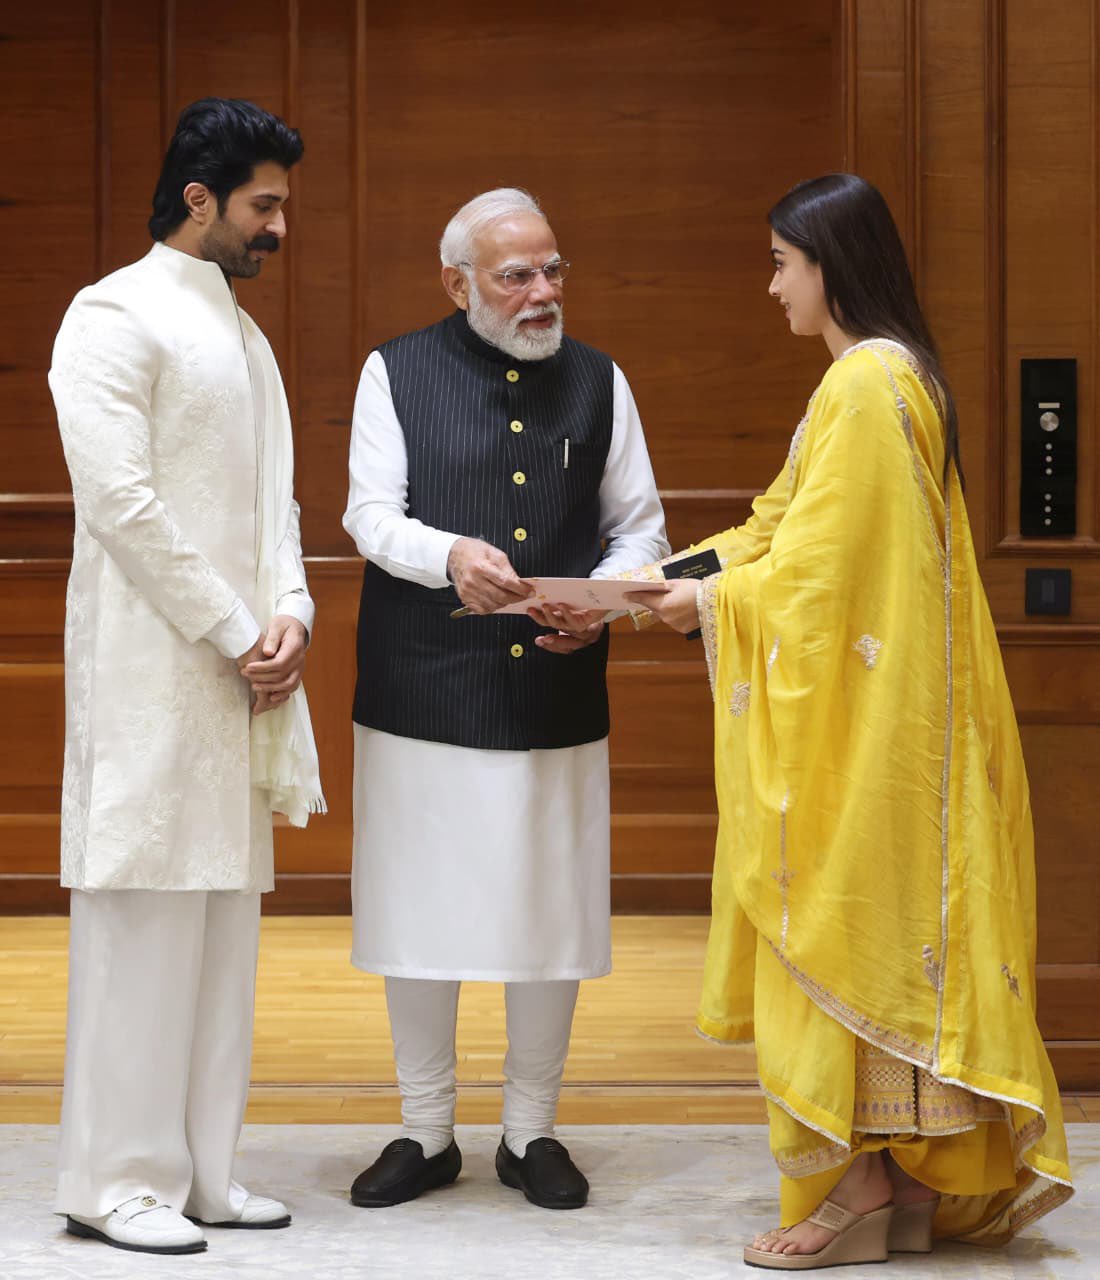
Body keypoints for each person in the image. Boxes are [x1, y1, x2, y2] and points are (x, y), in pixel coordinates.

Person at [628, 173, 1072, 1269]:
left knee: (845, 923)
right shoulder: (883, 375)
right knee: (886, 931)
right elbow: (778, 528)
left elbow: (821, 575)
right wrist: (648, 587)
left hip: (874, 728)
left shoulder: (868, 382)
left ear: (831, 264)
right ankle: (897, 1184)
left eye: (782, 263)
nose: (772, 285)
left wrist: (704, 606)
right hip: (891, 722)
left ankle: (863, 1184)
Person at [343, 187, 668, 1211]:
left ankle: (531, 1131)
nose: (542, 291)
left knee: (546, 907)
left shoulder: (601, 379)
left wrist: (604, 600)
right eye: (515, 274)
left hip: (554, 686)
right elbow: (368, 517)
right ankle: (424, 1128)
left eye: (552, 269)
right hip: (422, 682)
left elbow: (641, 527)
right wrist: (449, 554)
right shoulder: (394, 370)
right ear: (458, 283)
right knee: (417, 904)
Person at [47, 97, 324, 1257]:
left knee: (220, 931)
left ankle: (205, 1169)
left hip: (239, 675)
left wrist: (293, 609)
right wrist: (236, 626)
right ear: (199, 198)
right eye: (264, 204)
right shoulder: (111, 312)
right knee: (142, 927)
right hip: (152, 675)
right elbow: (119, 502)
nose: (278, 227)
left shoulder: (246, 337)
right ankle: (115, 1180)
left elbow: (275, 503)